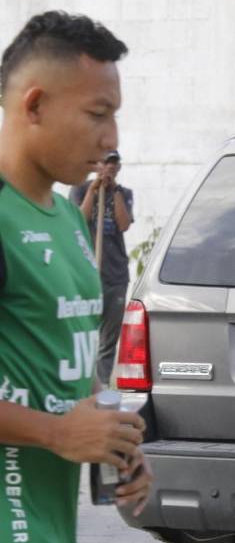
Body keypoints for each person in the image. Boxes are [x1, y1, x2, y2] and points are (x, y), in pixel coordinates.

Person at [0, 11, 153, 543]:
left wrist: (110, 439)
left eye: (115, 113)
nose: (109, 135)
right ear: (32, 104)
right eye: (96, 113)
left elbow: (56, 375)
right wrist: (60, 437)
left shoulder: (64, 218)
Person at [69, 149, 133, 387]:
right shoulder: (80, 189)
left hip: (115, 275)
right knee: (83, 331)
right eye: (107, 163)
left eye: (114, 163)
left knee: (108, 337)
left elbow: (124, 224)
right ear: (97, 165)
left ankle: (103, 384)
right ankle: (82, 383)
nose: (110, 167)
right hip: (86, 274)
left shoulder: (124, 193)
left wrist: (113, 189)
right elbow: (79, 219)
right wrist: (95, 188)